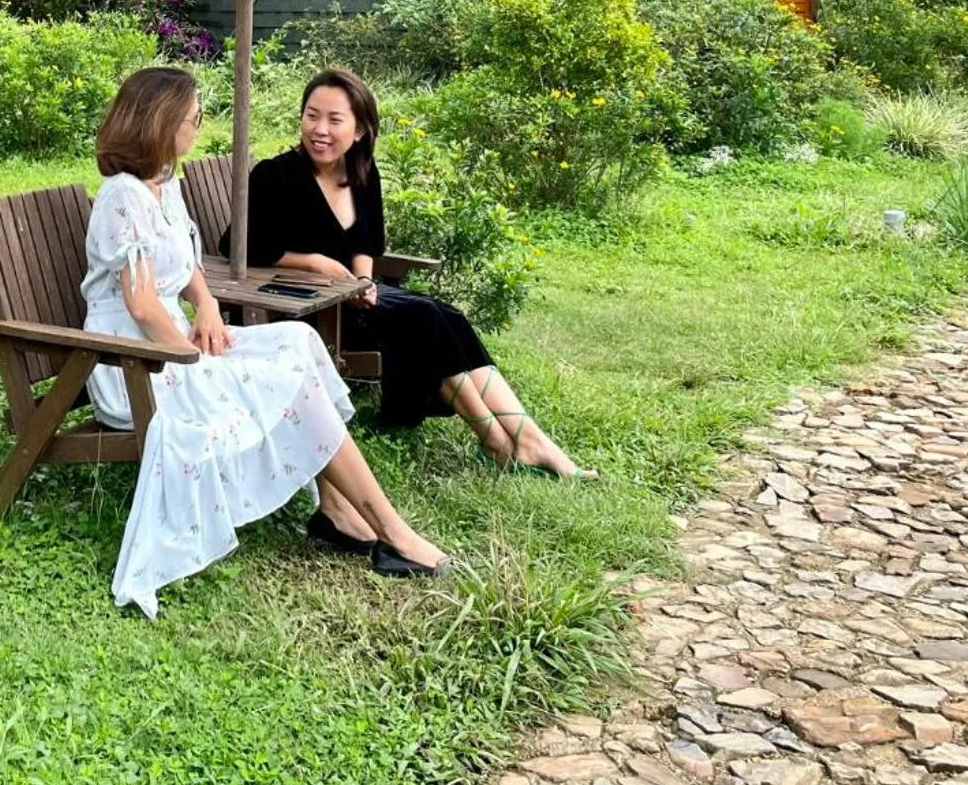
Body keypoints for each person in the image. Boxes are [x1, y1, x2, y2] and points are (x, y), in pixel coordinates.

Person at [83, 66, 451, 615]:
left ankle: (337, 508)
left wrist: (207, 306)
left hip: (171, 340)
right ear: (161, 123)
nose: (198, 127)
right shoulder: (122, 197)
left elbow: (187, 269)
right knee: (282, 382)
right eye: (193, 118)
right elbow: (140, 305)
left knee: (297, 344)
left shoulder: (164, 184)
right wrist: (191, 355)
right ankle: (393, 532)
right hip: (135, 362)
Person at [232, 67, 593, 486]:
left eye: (334, 120)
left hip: (353, 300)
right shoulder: (275, 176)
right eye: (312, 116)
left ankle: (524, 438)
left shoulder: (362, 173)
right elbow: (240, 247)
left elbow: (367, 244)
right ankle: (502, 440)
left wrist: (363, 282)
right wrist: (315, 263)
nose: (320, 130)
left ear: (360, 130)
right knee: (422, 318)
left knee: (446, 317)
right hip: (304, 311)